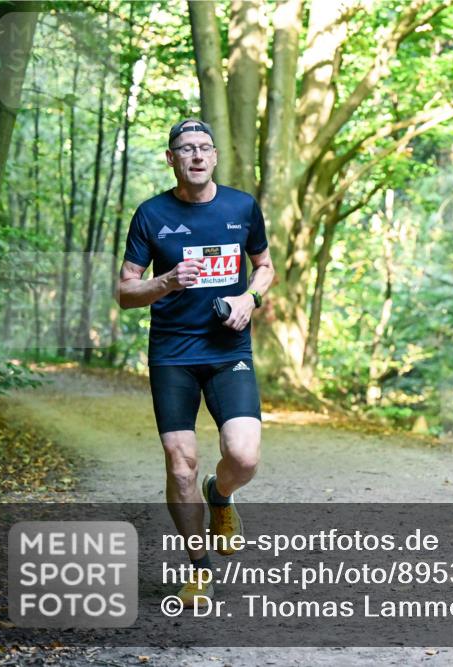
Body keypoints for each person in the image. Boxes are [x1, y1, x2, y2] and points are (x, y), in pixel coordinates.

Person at [117, 119, 274, 604]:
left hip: (229, 350)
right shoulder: (150, 214)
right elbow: (125, 292)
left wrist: (250, 298)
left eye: (205, 148)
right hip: (172, 353)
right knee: (180, 465)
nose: (197, 156)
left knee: (244, 456)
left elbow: (265, 266)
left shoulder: (242, 207)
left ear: (215, 157)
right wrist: (165, 282)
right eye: (186, 149)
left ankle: (221, 493)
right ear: (172, 159)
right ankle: (198, 567)